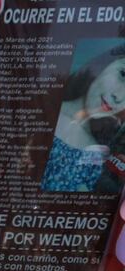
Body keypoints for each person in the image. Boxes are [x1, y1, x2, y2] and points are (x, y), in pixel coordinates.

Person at [42, 42, 125, 192]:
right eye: (123, 74)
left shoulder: (98, 154)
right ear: (101, 65)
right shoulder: (40, 112)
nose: (119, 97)